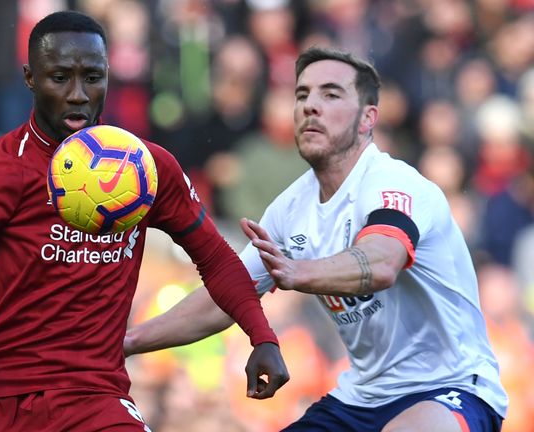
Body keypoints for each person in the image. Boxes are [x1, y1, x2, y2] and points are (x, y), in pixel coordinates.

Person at [0, 10, 289, 431]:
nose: (77, 94)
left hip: (92, 393)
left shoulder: (148, 169)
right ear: (30, 77)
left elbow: (216, 258)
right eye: (59, 78)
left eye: (92, 77)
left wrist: (262, 336)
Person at [124, 47, 508, 431]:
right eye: (302, 95)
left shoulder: (395, 184)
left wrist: (299, 272)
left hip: (451, 387)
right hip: (361, 398)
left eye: (331, 94)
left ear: (367, 118)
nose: (310, 106)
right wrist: (125, 341)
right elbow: (223, 298)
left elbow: (383, 261)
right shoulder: (290, 210)